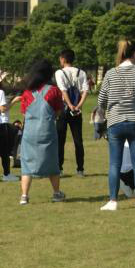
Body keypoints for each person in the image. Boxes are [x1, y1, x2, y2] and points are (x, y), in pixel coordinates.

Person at [98, 39, 135, 211]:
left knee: (115, 163)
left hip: (115, 121)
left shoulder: (110, 73)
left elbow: (101, 100)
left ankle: (113, 201)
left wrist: (108, 109)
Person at [17, 61, 65, 206]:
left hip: (29, 133)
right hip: (47, 131)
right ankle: (56, 193)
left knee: (27, 164)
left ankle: (24, 196)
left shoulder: (27, 93)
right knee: (52, 162)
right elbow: (58, 111)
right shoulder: (54, 91)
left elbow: (24, 113)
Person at [54, 49, 89, 177]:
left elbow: (63, 90)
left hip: (63, 109)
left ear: (63, 59)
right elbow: (85, 91)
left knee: (60, 140)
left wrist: (69, 105)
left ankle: (59, 168)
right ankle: (80, 169)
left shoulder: (59, 73)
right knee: (78, 140)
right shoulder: (81, 72)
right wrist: (78, 105)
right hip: (77, 110)